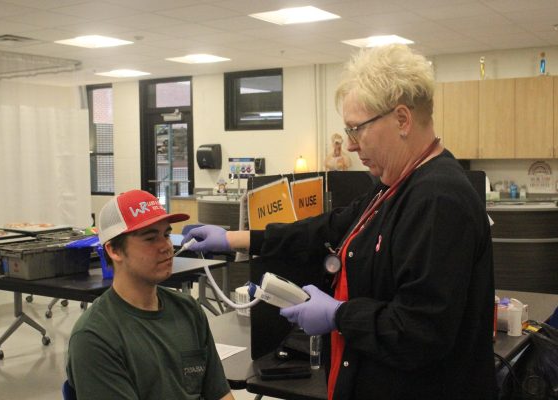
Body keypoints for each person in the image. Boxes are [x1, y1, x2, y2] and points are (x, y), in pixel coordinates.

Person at [183, 45, 495, 400]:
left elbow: (421, 332)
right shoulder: (395, 188)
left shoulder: (438, 199)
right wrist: (233, 239)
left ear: (403, 120)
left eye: (356, 129)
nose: (349, 145)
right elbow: (328, 228)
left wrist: (340, 315)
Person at [66, 189, 234, 400]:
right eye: (150, 238)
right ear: (113, 250)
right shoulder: (95, 337)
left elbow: (220, 394)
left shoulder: (188, 310)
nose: (166, 247)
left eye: (166, 235)